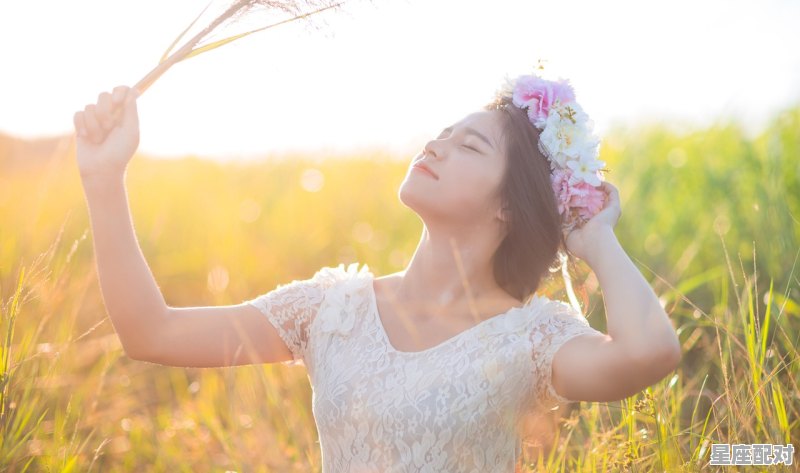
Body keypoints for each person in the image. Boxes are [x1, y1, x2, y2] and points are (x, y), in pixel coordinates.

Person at [72, 74, 681, 472]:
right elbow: (150, 333)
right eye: (443, 134)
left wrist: (594, 237)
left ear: (507, 206)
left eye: (470, 147)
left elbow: (649, 354)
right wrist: (103, 178)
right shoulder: (330, 309)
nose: (435, 146)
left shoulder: (530, 338)